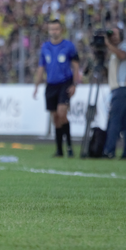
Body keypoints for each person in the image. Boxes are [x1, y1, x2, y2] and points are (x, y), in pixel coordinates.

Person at [33, 19, 80, 157]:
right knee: (55, 118)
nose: (54, 31)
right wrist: (36, 85)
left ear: (61, 30)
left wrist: (75, 84)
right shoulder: (45, 47)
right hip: (51, 84)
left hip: (65, 83)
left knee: (62, 113)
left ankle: (70, 147)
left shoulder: (69, 46)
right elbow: (41, 67)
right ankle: (59, 149)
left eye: (56, 29)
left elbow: (76, 66)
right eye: (51, 29)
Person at [103, 28, 126, 159]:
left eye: (115, 34)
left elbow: (123, 55)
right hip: (124, 89)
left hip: (123, 87)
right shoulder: (115, 51)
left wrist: (107, 44)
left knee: (114, 120)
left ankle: (109, 150)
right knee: (125, 123)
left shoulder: (124, 47)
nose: (112, 37)